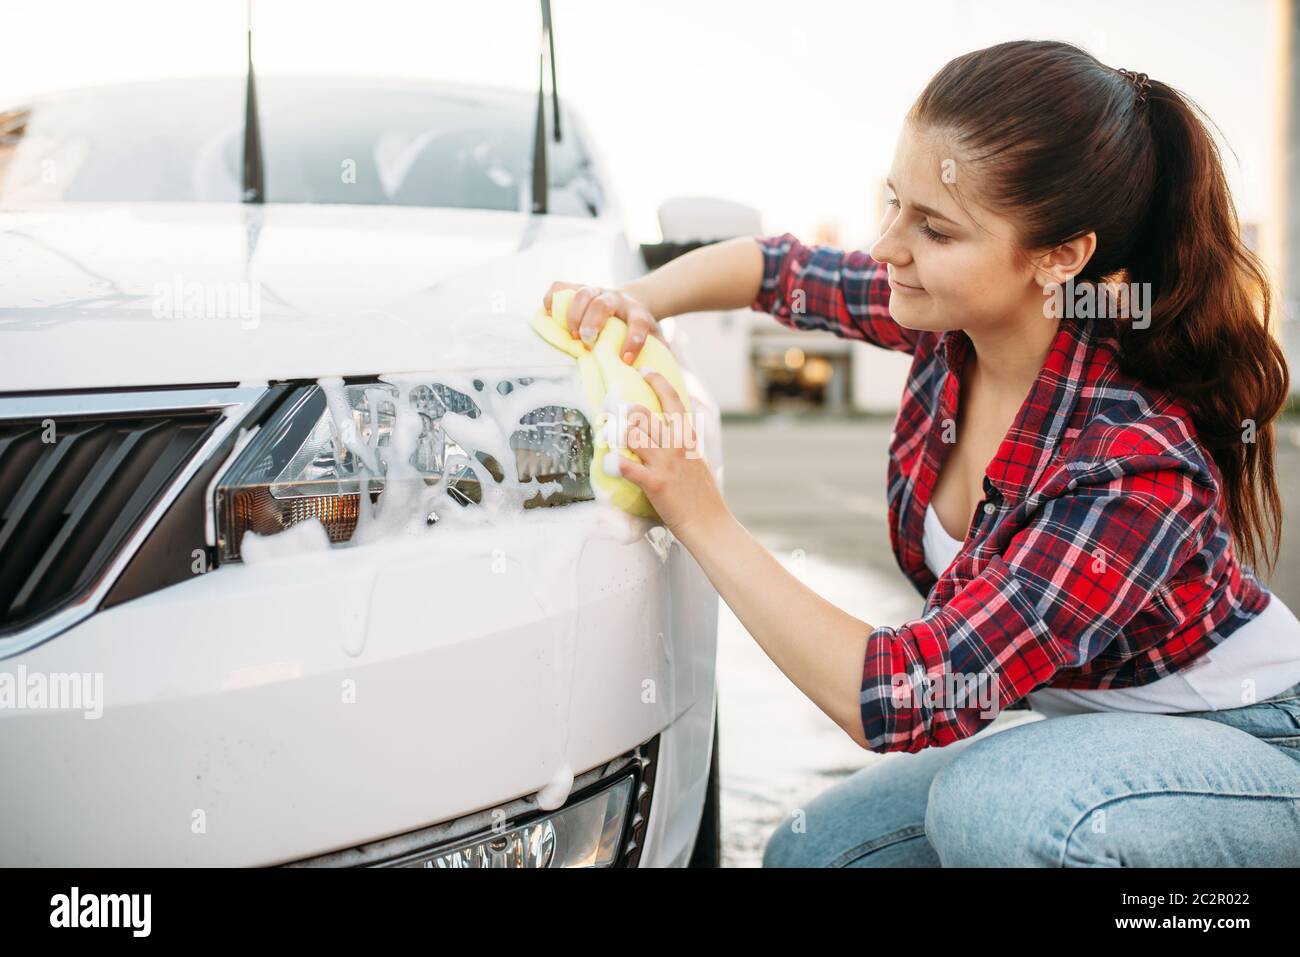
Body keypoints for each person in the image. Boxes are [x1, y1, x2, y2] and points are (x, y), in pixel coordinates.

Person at [542, 39, 1300, 866]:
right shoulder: (943, 314)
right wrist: (634, 304)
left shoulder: (1133, 463)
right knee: (816, 852)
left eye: (934, 227)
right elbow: (775, 269)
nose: (888, 245)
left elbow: (902, 698)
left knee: (1002, 811)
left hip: (1256, 750)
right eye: (893, 202)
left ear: (1060, 257)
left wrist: (700, 512)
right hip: (1100, 740)